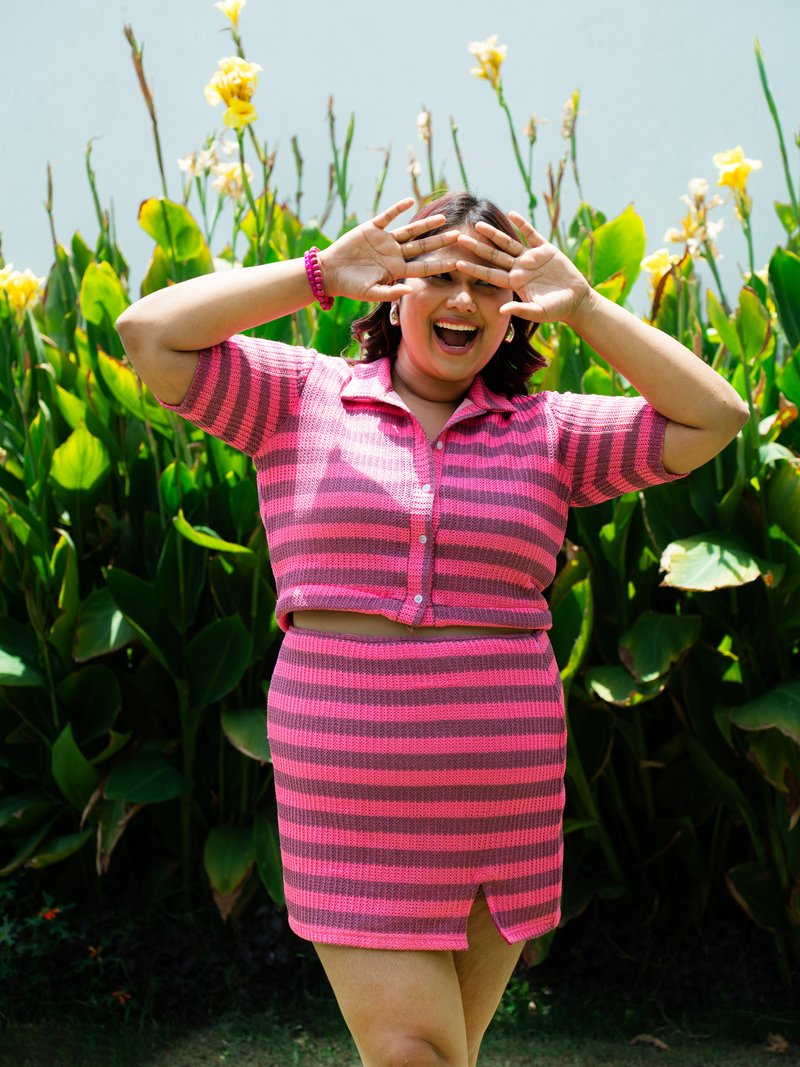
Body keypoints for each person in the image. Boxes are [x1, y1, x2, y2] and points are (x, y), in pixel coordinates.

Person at [117, 192, 748, 1067]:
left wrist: (589, 305)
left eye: (488, 284)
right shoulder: (298, 398)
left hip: (500, 793)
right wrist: (318, 275)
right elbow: (148, 331)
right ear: (393, 291)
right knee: (417, 1050)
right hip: (351, 787)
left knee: (447, 1053)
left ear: (516, 310)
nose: (461, 301)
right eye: (439, 276)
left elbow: (715, 418)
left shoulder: (553, 431)